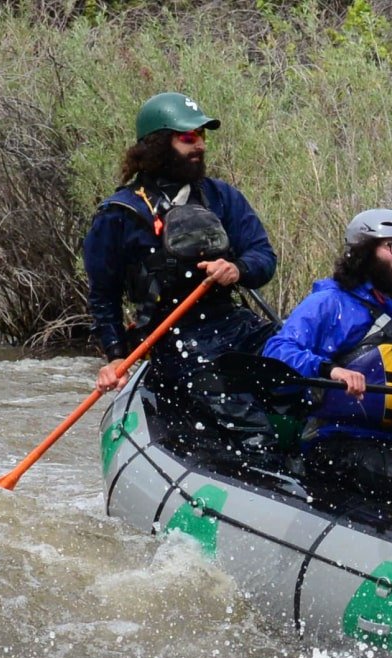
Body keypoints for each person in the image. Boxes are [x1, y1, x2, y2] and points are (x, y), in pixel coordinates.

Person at [82, 92, 278, 454]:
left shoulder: (222, 197)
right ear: (157, 145)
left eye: (202, 136)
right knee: (253, 429)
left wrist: (237, 268)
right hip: (175, 343)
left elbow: (264, 257)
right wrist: (114, 357)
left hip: (235, 326)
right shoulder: (117, 215)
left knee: (300, 362)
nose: (199, 145)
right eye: (188, 138)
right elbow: (103, 296)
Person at [260, 208, 392, 520]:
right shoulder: (330, 302)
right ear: (363, 252)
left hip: (391, 445)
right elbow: (277, 350)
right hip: (335, 447)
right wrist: (330, 370)